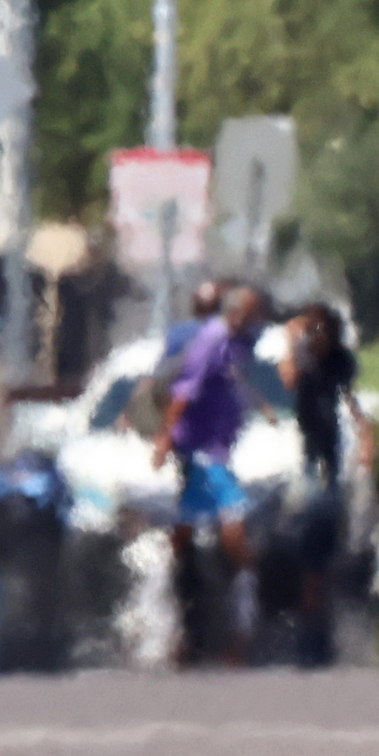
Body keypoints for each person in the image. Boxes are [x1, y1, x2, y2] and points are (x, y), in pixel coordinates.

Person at [157, 283, 267, 665]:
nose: (257, 319)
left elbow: (236, 382)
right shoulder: (211, 340)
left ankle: (183, 620)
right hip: (204, 454)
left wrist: (261, 405)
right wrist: (163, 439)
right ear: (236, 311)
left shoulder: (240, 342)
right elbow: (183, 392)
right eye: (253, 311)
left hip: (217, 451)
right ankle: (243, 623)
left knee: (186, 532)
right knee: (235, 534)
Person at [282, 302, 374, 666]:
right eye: (312, 331)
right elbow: (287, 379)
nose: (316, 337)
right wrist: (294, 341)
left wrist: (367, 439)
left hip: (327, 461)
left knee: (322, 539)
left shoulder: (340, 363)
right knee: (310, 540)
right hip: (307, 460)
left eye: (321, 331)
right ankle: (310, 608)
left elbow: (351, 400)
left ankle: (315, 613)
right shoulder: (302, 363)